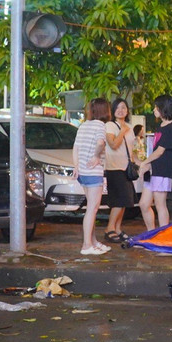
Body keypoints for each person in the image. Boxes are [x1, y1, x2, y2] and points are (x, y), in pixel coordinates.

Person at [72, 97, 110, 255]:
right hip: (93, 172)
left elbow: (75, 148)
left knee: (91, 209)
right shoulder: (100, 125)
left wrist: (76, 166)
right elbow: (101, 143)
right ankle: (87, 245)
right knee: (92, 209)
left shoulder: (83, 125)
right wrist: (96, 156)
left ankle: (93, 241)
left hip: (82, 172)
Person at [137, 94, 172, 230]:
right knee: (144, 204)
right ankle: (152, 232)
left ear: (163, 108)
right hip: (154, 170)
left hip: (163, 170)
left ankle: (163, 236)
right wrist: (148, 164)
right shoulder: (161, 126)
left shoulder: (171, 127)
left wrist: (144, 162)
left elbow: (160, 151)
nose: (154, 110)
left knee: (160, 204)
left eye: (156, 107)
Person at [102, 98, 138, 243]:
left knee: (125, 201)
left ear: (127, 110)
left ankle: (117, 228)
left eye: (123, 107)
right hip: (114, 167)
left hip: (126, 168)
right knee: (118, 201)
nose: (121, 110)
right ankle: (109, 228)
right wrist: (122, 131)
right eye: (117, 107)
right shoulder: (110, 125)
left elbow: (132, 149)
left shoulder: (130, 127)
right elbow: (113, 144)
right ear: (113, 110)